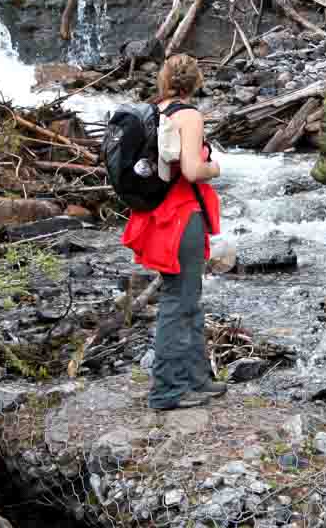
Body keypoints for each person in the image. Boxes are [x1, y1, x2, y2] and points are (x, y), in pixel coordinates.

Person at [121, 53, 224, 411]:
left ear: (164, 81)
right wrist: (215, 167)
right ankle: (167, 390)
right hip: (182, 217)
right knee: (178, 302)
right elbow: (193, 171)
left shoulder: (156, 111)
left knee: (186, 299)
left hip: (159, 217)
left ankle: (197, 379)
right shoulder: (189, 115)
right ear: (196, 82)